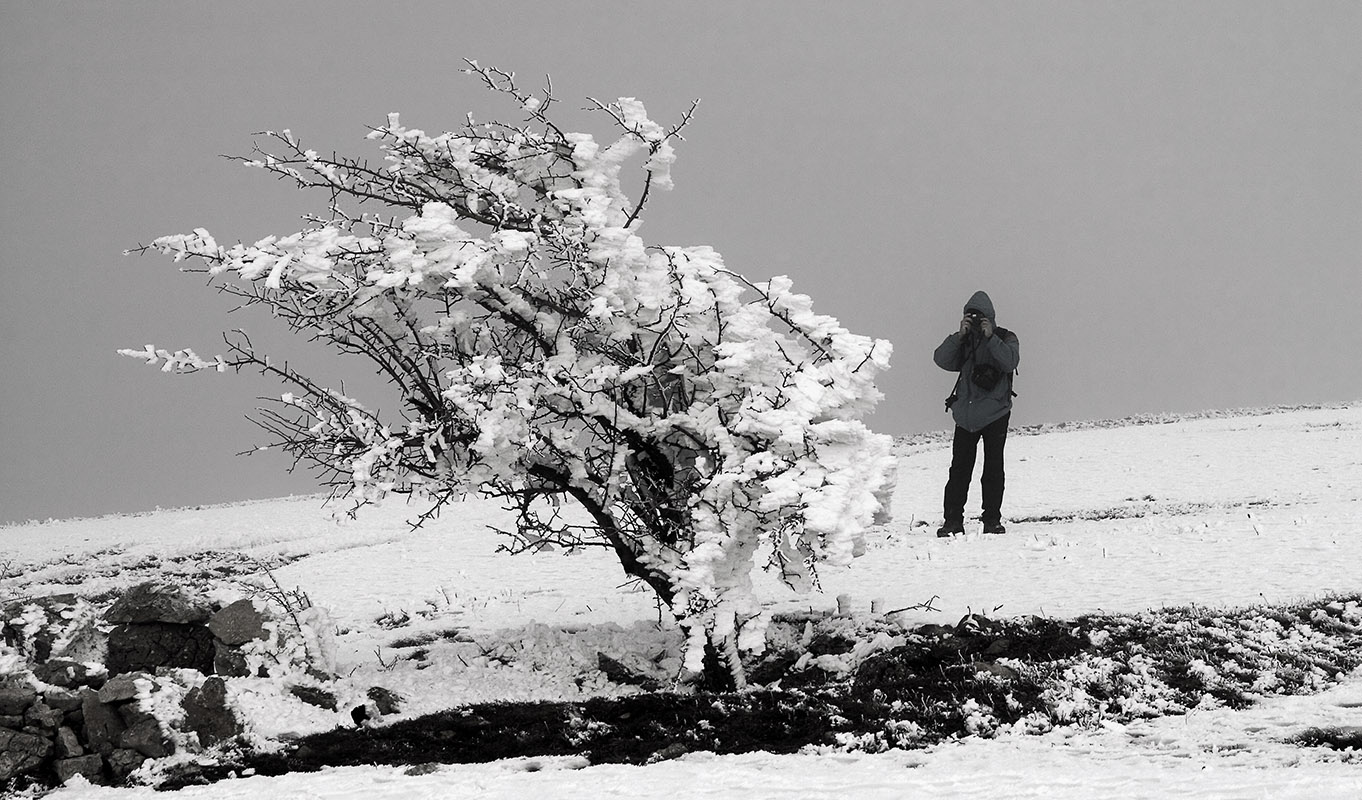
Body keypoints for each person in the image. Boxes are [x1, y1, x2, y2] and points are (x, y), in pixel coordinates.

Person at [933, 291, 1020, 536]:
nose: (974, 321)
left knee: (992, 469)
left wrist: (991, 338)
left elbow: (1010, 361)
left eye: (979, 317)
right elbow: (941, 360)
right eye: (970, 317)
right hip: (965, 414)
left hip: (996, 412)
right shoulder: (964, 341)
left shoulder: (1005, 337)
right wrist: (959, 336)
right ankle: (952, 521)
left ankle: (992, 520)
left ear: (990, 318)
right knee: (959, 470)